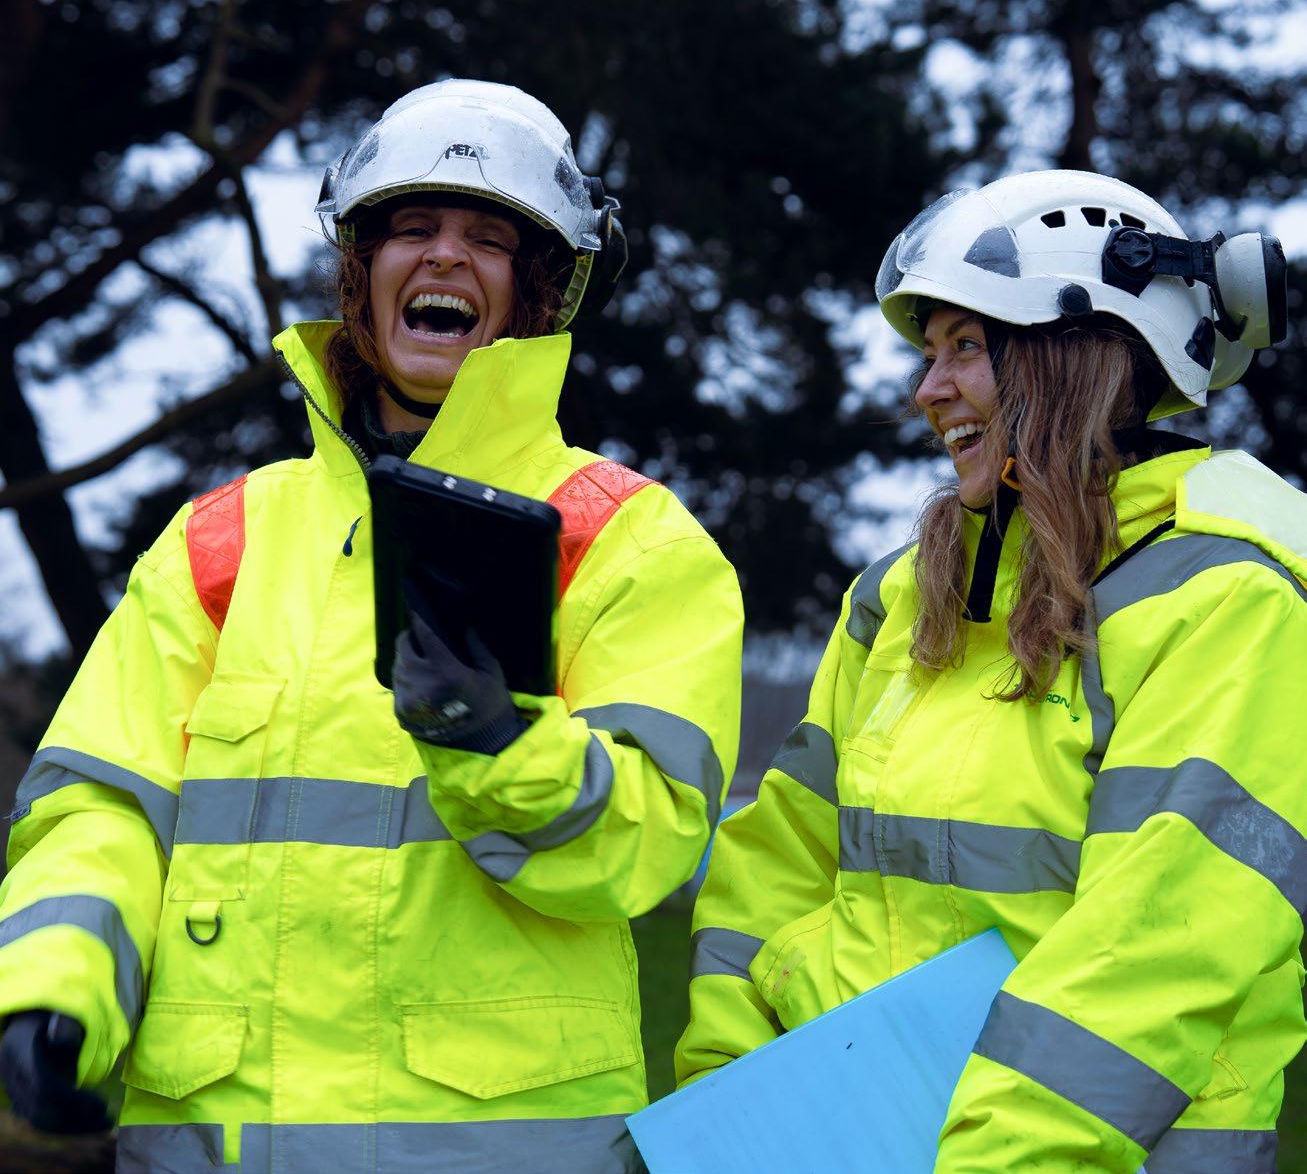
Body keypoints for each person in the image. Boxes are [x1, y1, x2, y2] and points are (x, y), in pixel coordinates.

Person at [0, 80, 743, 1174]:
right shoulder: (220, 540)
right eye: (411, 227)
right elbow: (103, 810)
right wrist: (48, 994)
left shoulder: (628, 540)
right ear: (360, 267)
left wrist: (503, 748)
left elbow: (642, 851)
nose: (444, 256)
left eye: (489, 238)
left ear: (541, 286)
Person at [676, 169, 1303, 1173]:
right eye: (928, 353)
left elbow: (1156, 952)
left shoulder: (1226, 602)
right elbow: (775, 869)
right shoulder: (893, 599)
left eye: (965, 345)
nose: (926, 391)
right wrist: (731, 1104)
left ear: (1075, 358)